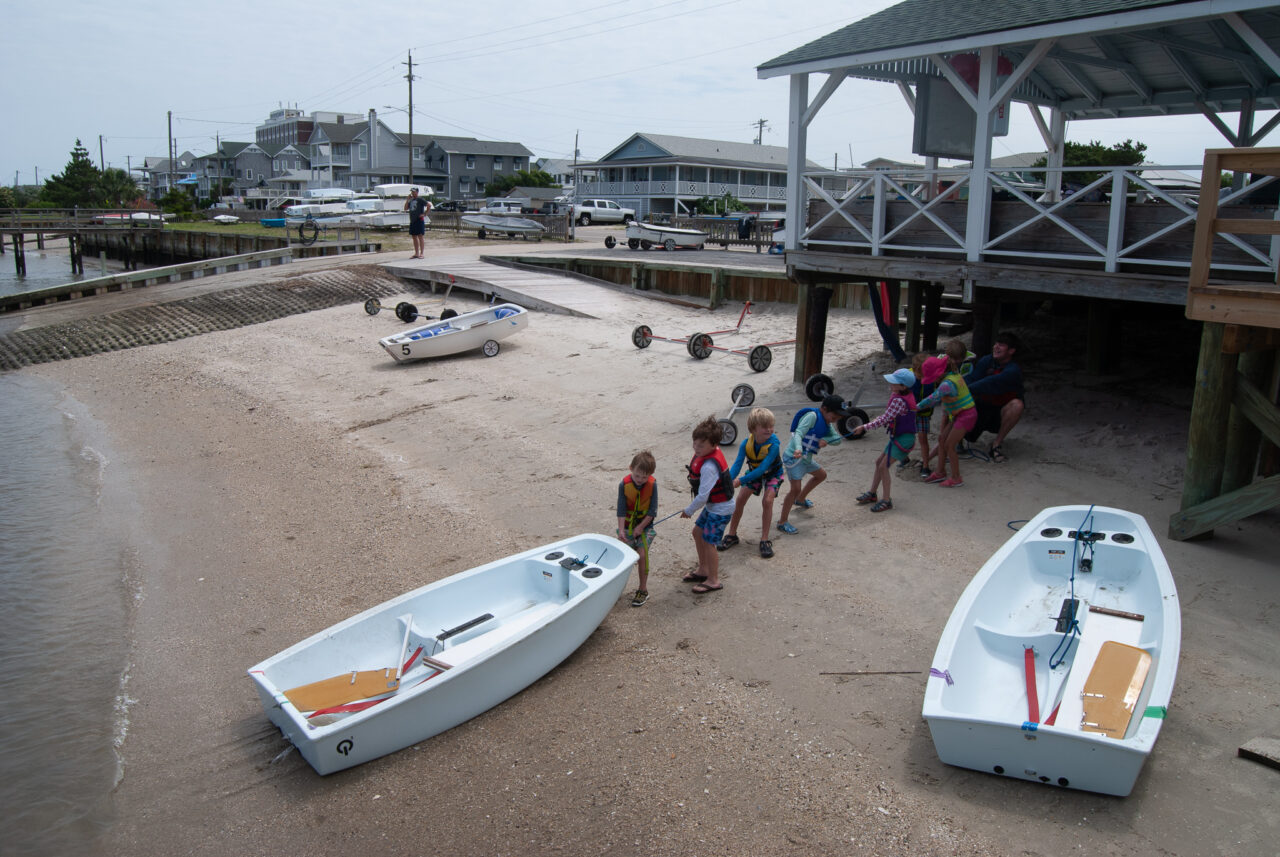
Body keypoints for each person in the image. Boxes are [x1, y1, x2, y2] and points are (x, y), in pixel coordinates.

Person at [717, 408, 784, 559]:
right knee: (740, 500)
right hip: (754, 474)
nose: (769, 429)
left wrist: (740, 481)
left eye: (771, 426)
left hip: (772, 474)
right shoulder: (746, 444)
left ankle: (765, 539)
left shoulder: (774, 446)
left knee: (767, 501)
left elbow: (762, 470)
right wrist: (728, 481)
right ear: (753, 429)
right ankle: (732, 535)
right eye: (765, 426)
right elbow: (737, 465)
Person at [776, 395, 846, 535]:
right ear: (824, 409)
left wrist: (826, 439)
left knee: (821, 475)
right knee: (795, 489)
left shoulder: (827, 424)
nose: (836, 419)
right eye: (834, 416)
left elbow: (837, 440)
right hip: (794, 457)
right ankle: (782, 522)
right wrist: (798, 448)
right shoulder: (812, 416)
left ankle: (800, 499)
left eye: (838, 418)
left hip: (806, 459)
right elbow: (798, 433)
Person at [680, 417, 735, 594]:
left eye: (701, 446)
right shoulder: (705, 455)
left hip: (721, 509)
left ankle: (713, 580)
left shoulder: (709, 467)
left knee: (709, 541)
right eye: (694, 444)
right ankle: (703, 569)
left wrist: (689, 510)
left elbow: (703, 496)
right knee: (697, 532)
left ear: (713, 445)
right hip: (713, 506)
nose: (696, 449)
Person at [851, 368, 917, 512]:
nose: (890, 384)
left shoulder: (898, 400)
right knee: (879, 463)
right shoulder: (901, 395)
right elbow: (887, 417)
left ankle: (886, 500)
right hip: (899, 437)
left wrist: (864, 427)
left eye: (894, 383)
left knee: (883, 466)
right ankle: (872, 493)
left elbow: (884, 419)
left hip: (904, 439)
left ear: (903, 386)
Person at [963, 332, 1025, 463]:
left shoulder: (1013, 370)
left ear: (1011, 351)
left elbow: (991, 382)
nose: (996, 347)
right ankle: (956, 441)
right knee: (960, 401)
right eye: (996, 344)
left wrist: (966, 389)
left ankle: (996, 444)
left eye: (1001, 345)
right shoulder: (986, 360)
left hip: (999, 412)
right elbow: (972, 378)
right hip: (981, 407)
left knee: (1017, 405)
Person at [916, 355, 977, 488]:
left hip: (965, 415)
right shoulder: (954, 375)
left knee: (950, 445)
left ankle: (956, 478)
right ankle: (940, 472)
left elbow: (933, 399)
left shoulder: (946, 384)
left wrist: (916, 407)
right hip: (958, 414)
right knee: (942, 440)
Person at [616, 450, 658, 607]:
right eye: (637, 475)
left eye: (644, 477)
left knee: (641, 554)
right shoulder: (624, 485)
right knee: (622, 556)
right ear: (631, 468)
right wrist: (621, 530)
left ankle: (643, 590)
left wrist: (640, 527)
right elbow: (621, 509)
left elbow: (652, 512)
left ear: (650, 474)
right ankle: (615, 589)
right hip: (627, 526)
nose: (640, 480)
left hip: (646, 527)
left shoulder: (653, 486)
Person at [909, 351, 936, 477]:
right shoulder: (908, 377)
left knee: (923, 438)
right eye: (920, 374)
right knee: (905, 436)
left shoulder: (932, 379)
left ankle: (925, 465)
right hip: (908, 413)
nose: (923, 377)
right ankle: (904, 458)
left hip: (923, 413)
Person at [404, 187, 432, 259]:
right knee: (414, 236)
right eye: (412, 192)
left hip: (419, 219)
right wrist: (407, 199)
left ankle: (421, 253)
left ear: (417, 192)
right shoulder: (411, 200)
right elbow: (405, 208)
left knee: (420, 236)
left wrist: (425, 213)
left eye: (414, 192)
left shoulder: (420, 199)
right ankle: (416, 253)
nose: (413, 193)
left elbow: (429, 205)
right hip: (412, 220)